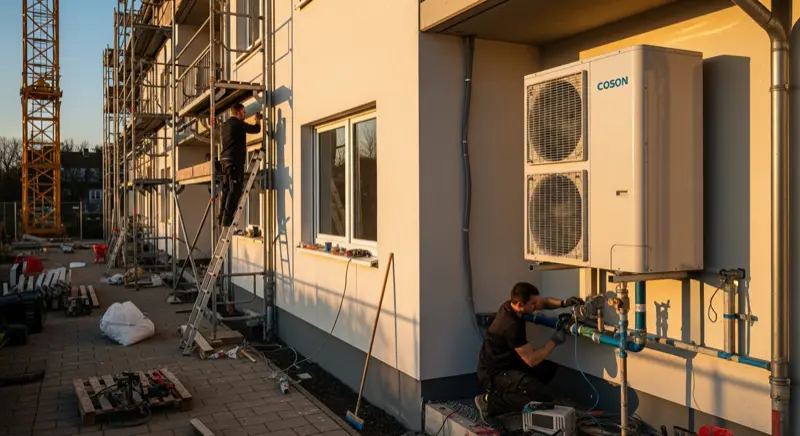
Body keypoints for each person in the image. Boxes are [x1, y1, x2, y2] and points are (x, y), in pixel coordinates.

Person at [474, 282, 584, 420]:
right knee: (541, 397)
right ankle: (489, 402)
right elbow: (532, 360)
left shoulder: (510, 306)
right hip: (494, 373)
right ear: (520, 304)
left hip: (507, 363)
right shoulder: (511, 326)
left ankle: (521, 392)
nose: (535, 306)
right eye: (532, 304)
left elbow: (543, 303)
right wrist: (555, 341)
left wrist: (564, 303)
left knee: (548, 369)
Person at [218, 103, 262, 227]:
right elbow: (256, 130)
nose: (245, 114)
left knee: (226, 189)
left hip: (224, 161)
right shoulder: (237, 124)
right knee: (235, 189)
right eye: (243, 112)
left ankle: (221, 216)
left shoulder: (225, 125)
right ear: (237, 113)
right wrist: (258, 120)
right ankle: (227, 218)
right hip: (234, 161)